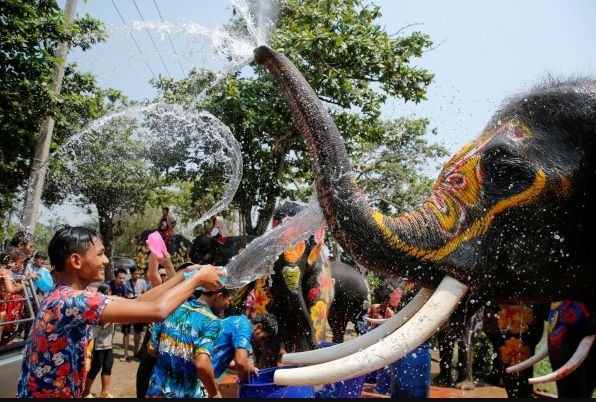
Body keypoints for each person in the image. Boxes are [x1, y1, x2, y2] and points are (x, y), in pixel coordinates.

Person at [16, 225, 225, 398]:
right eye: (100, 254)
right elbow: (158, 310)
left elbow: (140, 302)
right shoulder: (72, 301)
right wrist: (198, 279)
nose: (106, 261)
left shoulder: (65, 295)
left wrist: (183, 275)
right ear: (76, 261)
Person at [146, 286, 234, 398]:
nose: (228, 305)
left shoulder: (172, 308)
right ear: (219, 296)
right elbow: (202, 364)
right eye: (229, 300)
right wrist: (214, 393)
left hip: (157, 391)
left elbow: (151, 349)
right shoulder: (212, 321)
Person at [211, 314, 279, 384]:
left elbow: (221, 360)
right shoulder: (245, 329)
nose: (261, 343)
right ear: (258, 326)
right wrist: (248, 387)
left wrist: (248, 368)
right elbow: (241, 364)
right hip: (202, 376)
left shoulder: (238, 321)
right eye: (263, 338)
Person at [82, 283, 115, 399]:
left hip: (108, 344)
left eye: (109, 293)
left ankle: (104, 392)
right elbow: (103, 321)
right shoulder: (98, 306)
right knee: (95, 367)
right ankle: (86, 392)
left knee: (108, 366)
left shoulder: (112, 306)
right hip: (98, 344)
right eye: (106, 293)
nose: (108, 295)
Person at [0, 246, 29, 346]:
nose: (21, 266)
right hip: (2, 307)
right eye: (20, 262)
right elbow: (10, 289)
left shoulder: (2, 270)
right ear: (10, 261)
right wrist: (22, 286)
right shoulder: (7, 272)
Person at [20, 251, 52, 340]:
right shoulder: (29, 266)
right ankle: (19, 332)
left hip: (35, 295)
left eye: (44, 260)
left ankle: (26, 336)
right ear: (35, 259)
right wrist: (29, 278)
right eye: (40, 259)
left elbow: (47, 284)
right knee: (24, 314)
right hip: (26, 293)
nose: (42, 261)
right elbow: (23, 277)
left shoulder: (44, 271)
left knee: (32, 314)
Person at [121, 266, 149, 361]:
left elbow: (146, 295)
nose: (137, 275)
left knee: (138, 331)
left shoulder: (143, 283)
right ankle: (125, 353)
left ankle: (136, 351)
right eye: (135, 273)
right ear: (131, 273)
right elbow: (123, 296)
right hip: (127, 309)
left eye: (138, 273)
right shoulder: (125, 283)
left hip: (138, 310)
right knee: (126, 332)